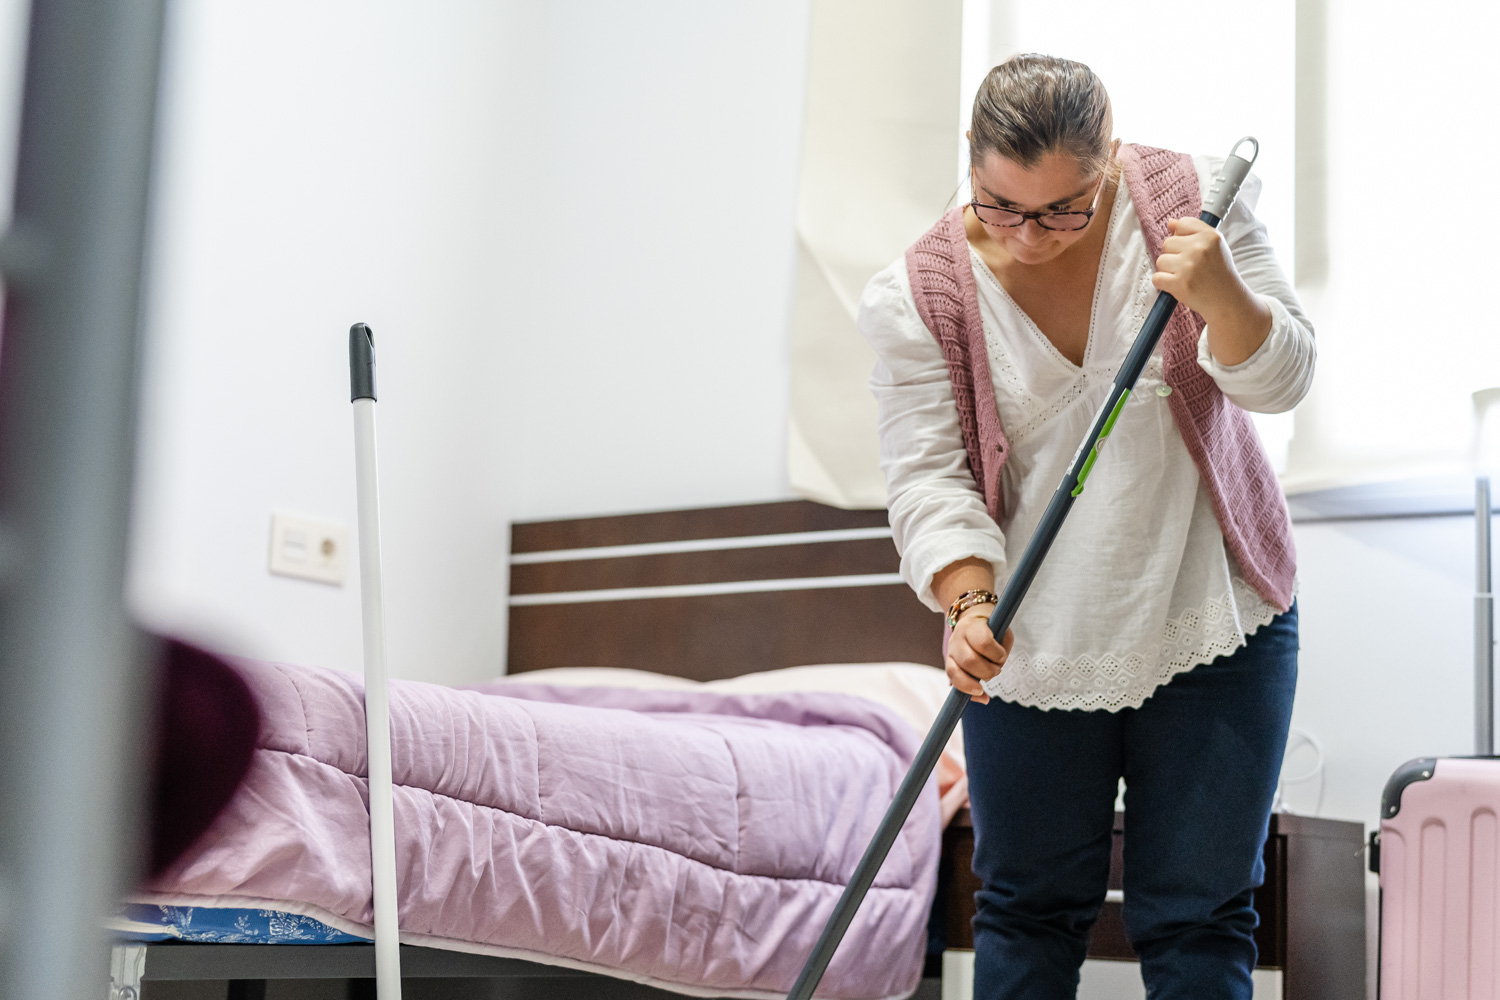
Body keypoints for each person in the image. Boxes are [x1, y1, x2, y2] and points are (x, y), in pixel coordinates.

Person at [856, 54, 1314, 999]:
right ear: (970, 159)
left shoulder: (1195, 206)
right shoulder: (917, 294)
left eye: (1065, 209)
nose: (1030, 236)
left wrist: (1223, 294)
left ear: (1109, 155)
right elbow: (929, 478)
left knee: (1198, 918)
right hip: (1031, 641)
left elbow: (1283, 383)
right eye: (1001, 205)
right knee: (1026, 915)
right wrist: (967, 604)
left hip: (1213, 616)